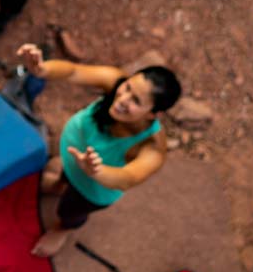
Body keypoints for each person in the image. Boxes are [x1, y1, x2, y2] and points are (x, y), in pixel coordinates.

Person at [14, 43, 181, 257]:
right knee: (66, 172)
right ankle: (58, 185)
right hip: (75, 158)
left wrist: (96, 171)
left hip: (91, 189)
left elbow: (127, 178)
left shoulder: (152, 148)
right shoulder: (114, 81)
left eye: (136, 101)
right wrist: (42, 69)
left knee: (70, 210)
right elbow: (74, 71)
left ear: (152, 114)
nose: (122, 99)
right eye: (128, 87)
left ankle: (62, 229)